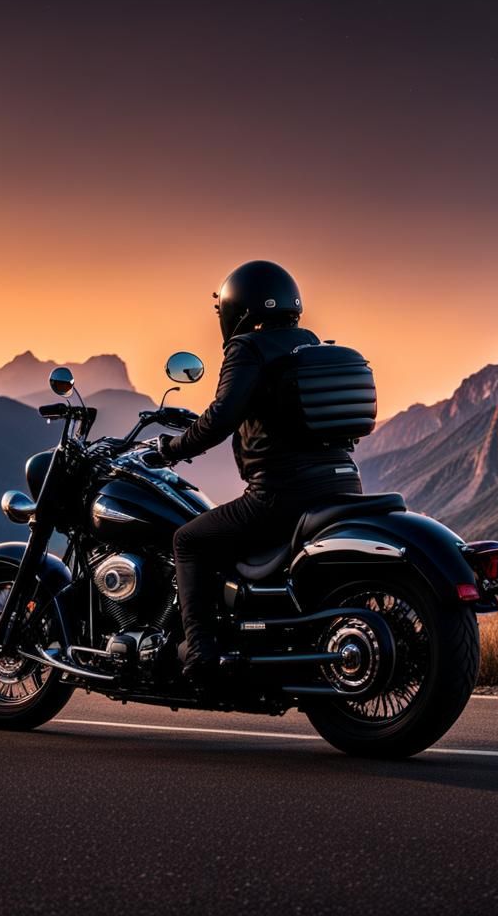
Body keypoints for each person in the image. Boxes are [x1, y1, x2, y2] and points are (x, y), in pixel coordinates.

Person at [154, 260, 364, 686]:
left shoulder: (247, 348)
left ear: (238, 308)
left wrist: (171, 449)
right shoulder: (308, 344)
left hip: (280, 495)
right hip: (343, 483)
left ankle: (200, 652)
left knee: (187, 540)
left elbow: (220, 417)